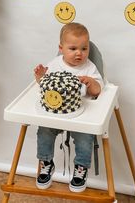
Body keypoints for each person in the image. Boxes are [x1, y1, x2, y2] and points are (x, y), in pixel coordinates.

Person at [34, 22, 104, 193]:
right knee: (44, 130)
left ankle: (80, 168)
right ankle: (46, 162)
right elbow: (45, 86)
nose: (79, 53)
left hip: (81, 114)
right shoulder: (55, 64)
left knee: (85, 137)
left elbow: (99, 90)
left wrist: (91, 82)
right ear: (61, 48)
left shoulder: (89, 67)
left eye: (84, 48)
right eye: (73, 48)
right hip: (56, 113)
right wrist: (41, 77)